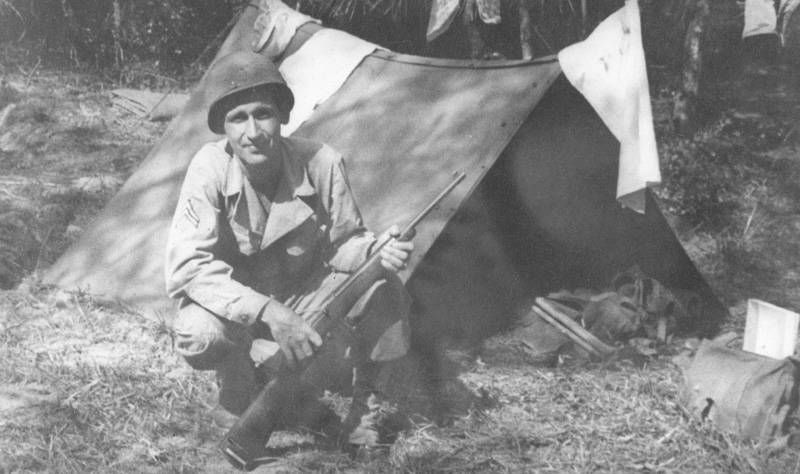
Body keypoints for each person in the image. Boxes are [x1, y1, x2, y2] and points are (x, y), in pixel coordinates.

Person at [164, 50, 414, 450]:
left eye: (262, 113)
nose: (252, 131)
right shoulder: (208, 168)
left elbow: (345, 243)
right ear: (224, 129)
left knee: (384, 286)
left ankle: (364, 412)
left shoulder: (321, 161)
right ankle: (237, 384)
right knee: (198, 333)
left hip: (305, 301)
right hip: (241, 310)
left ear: (281, 116)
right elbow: (189, 269)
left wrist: (377, 249)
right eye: (237, 118)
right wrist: (269, 312)